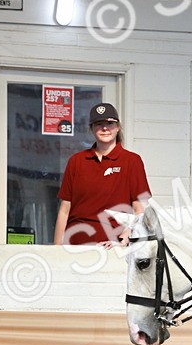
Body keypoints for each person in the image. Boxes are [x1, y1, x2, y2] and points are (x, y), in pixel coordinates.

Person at [53, 103, 150, 246]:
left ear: (118, 127)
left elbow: (140, 209)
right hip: (74, 247)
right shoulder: (76, 161)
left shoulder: (132, 161)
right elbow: (64, 210)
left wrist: (122, 240)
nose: (105, 128)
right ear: (91, 128)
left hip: (112, 250)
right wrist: (56, 248)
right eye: (99, 124)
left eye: (110, 123)